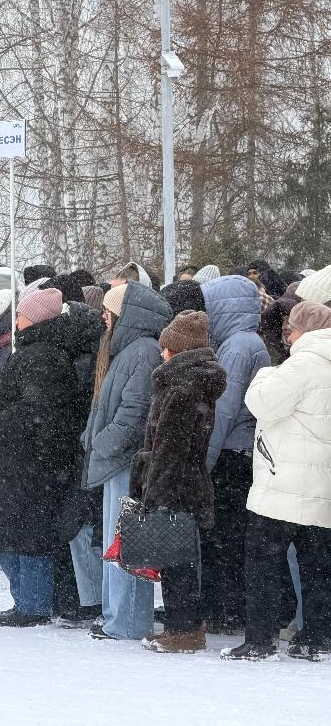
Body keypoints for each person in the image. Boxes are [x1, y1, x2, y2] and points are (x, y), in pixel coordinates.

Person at [223, 301, 331, 660]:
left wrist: (264, 375)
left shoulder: (300, 365)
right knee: (318, 569)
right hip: (322, 487)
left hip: (283, 483)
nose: (288, 337)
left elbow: (262, 403)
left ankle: (260, 640)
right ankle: (317, 638)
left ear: (302, 331)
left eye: (290, 330)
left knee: (263, 564)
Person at [0, 288, 87, 624]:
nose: (16, 320)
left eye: (21, 314)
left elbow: (35, 410)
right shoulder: (40, 351)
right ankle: (29, 600)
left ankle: (33, 604)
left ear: (34, 319)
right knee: (16, 536)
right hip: (29, 459)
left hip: (30, 461)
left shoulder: (40, 355)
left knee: (25, 537)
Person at [129, 311, 226, 653]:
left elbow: (169, 449)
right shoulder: (193, 385)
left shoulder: (181, 389)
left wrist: (153, 493)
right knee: (180, 557)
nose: (161, 352)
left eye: (166, 346)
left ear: (178, 349)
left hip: (175, 485)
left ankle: (183, 629)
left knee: (176, 560)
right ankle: (182, 626)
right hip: (187, 481)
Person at [83, 282, 173, 640]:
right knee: (117, 543)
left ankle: (126, 621)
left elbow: (134, 414)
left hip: (127, 464)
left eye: (110, 313)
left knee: (127, 543)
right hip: (115, 460)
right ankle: (116, 617)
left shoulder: (143, 351)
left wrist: (101, 442)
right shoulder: (129, 349)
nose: (104, 318)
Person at [199, 274, 271, 633]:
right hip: (239, 453)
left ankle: (227, 610)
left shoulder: (238, 347)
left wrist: (205, 462)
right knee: (230, 536)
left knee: (225, 537)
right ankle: (226, 608)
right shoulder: (241, 342)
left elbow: (223, 410)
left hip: (231, 454)